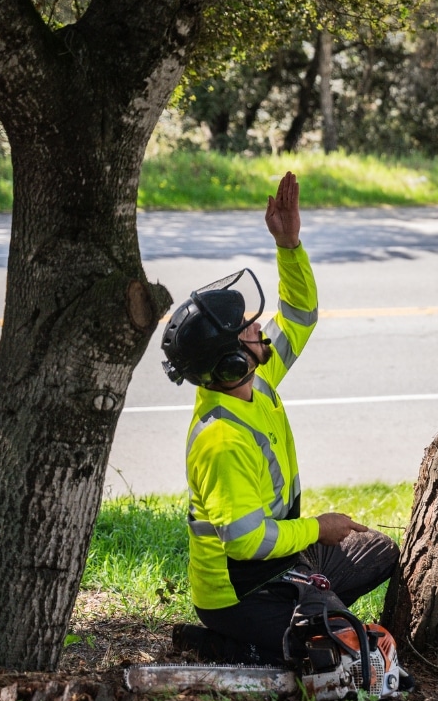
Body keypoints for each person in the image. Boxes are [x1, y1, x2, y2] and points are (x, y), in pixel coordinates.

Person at [159, 171, 397, 665]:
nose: (258, 328)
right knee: (343, 653)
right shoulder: (221, 440)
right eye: (247, 328)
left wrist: (288, 246)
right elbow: (245, 541)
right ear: (230, 362)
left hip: (282, 562)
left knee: (380, 552)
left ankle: (307, 604)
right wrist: (317, 528)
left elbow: (300, 316)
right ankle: (237, 641)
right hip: (240, 592)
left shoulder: (256, 381)